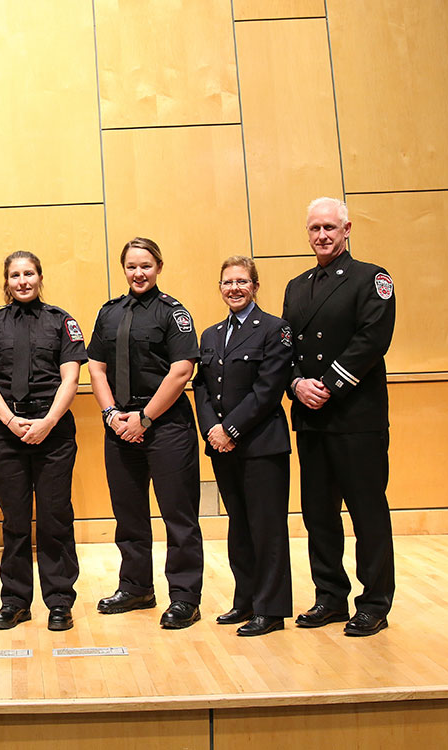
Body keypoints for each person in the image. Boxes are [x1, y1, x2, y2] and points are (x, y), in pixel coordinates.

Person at [282, 197, 396, 637]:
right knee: (318, 513)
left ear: (347, 229)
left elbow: (372, 340)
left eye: (330, 227)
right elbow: (286, 345)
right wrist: (296, 384)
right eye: (314, 228)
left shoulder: (372, 278)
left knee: (367, 511)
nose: (322, 235)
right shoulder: (297, 285)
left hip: (355, 416)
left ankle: (374, 602)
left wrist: (327, 384)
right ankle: (330, 596)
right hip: (311, 418)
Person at [86, 237, 203, 629]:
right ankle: (136, 587)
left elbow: (181, 371)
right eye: (132, 266)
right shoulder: (109, 313)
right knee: (129, 514)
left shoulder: (174, 314)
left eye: (146, 266)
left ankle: (185, 596)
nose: (139, 273)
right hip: (119, 425)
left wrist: (145, 418)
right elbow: (96, 367)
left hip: (166, 425)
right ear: (124, 269)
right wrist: (110, 414)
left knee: (178, 516)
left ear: (158, 267)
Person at [0, 251, 85, 631]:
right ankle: (15, 601)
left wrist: (49, 421)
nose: (23, 281)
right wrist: (10, 420)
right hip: (8, 430)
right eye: (15, 275)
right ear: (7, 281)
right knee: (15, 520)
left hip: (53, 430)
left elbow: (70, 379)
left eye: (29, 273)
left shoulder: (62, 321)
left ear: (40, 276)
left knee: (54, 518)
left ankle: (59, 602)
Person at [191, 256, 294, 637]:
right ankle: (246, 599)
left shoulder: (274, 329)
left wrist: (230, 429)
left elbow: (268, 389)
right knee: (240, 526)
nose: (234, 288)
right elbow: (202, 386)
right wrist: (211, 430)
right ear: (220, 288)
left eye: (242, 281)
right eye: (227, 282)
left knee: (266, 528)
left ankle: (272, 609)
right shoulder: (211, 334)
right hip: (222, 446)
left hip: (261, 444)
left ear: (255, 286)